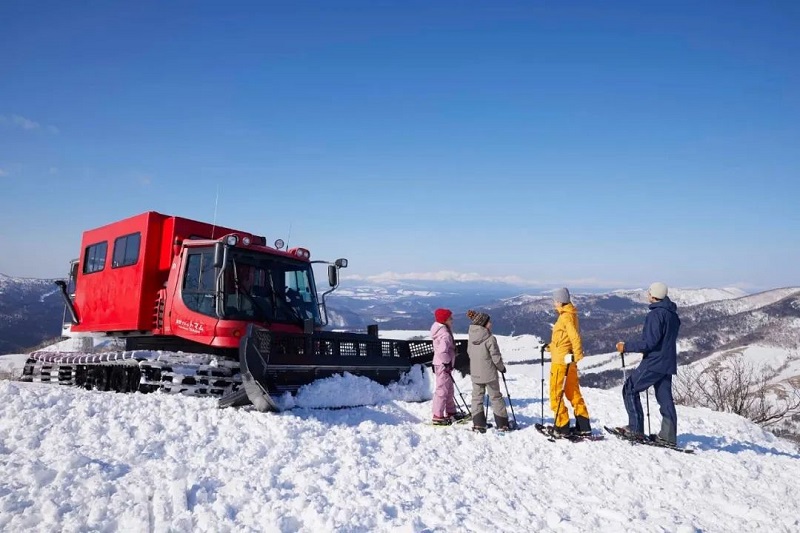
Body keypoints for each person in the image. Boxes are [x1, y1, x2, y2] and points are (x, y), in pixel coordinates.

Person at [615, 282, 681, 445]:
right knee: (665, 399)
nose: (647, 294)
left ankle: (635, 429)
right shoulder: (673, 315)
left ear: (653, 295)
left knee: (630, 388)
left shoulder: (655, 315)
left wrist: (626, 346)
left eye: (649, 292)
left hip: (654, 362)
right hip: (667, 362)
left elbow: (650, 342)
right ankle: (668, 436)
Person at [545, 287, 592, 436]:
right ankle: (583, 425)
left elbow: (574, 337)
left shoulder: (565, 317)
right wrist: (549, 347)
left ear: (559, 301)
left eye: (555, 301)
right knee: (572, 391)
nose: (554, 303)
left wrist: (578, 354)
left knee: (555, 393)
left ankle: (562, 426)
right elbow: (562, 339)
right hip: (568, 360)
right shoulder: (571, 314)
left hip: (561, 362)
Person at [466, 309, 510, 432]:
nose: (491, 324)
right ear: (483, 324)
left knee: (476, 397)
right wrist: (501, 368)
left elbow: (469, 353)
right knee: (495, 397)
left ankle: (478, 423)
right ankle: (502, 424)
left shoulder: (471, 337)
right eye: (489, 322)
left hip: (475, 373)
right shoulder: (490, 338)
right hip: (489, 373)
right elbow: (495, 357)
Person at [430, 308, 461, 425]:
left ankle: (451, 411)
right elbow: (442, 352)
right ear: (444, 320)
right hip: (444, 365)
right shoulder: (445, 334)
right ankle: (438, 415)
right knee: (442, 390)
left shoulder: (440, 330)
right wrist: (447, 362)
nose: (452, 320)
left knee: (448, 389)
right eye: (450, 318)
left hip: (442, 365)